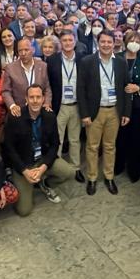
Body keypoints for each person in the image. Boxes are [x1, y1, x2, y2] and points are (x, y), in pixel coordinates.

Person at [4, 84, 75, 213]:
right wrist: (24, 171)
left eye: (38, 97)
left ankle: (45, 183)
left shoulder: (50, 116)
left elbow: (55, 145)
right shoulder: (15, 117)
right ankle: (21, 184)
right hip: (24, 164)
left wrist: (43, 167)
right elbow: (9, 148)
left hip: (42, 160)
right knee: (24, 211)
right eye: (31, 97)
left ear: (43, 99)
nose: (35, 100)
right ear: (26, 98)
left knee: (69, 172)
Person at [79, 31, 130, 195]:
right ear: (98, 42)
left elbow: (126, 88)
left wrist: (126, 112)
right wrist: (84, 114)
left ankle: (109, 177)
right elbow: (81, 89)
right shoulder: (87, 61)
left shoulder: (121, 63)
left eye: (110, 42)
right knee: (92, 147)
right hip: (95, 112)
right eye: (103, 42)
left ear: (114, 43)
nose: (106, 45)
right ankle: (92, 178)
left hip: (114, 111)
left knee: (110, 146)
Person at [116, 29, 140, 183]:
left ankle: (134, 169)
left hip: (138, 104)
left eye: (138, 42)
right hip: (119, 104)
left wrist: (139, 88)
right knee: (119, 136)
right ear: (125, 41)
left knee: (135, 136)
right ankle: (118, 166)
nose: (134, 44)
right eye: (131, 40)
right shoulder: (116, 58)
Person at [46, 31, 84, 179]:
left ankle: (76, 168)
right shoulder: (52, 60)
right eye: (64, 40)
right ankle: (58, 168)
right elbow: (48, 84)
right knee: (58, 139)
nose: (67, 43)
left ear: (75, 41)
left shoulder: (83, 59)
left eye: (70, 40)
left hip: (76, 105)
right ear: (60, 43)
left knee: (75, 139)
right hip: (59, 105)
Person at [3, 37, 52, 117]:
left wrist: (47, 103)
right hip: (19, 112)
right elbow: (6, 91)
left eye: (26, 50)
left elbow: (47, 88)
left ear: (33, 50)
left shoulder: (43, 66)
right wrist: (12, 106)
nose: (23, 53)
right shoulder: (10, 68)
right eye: (20, 51)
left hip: (40, 111)